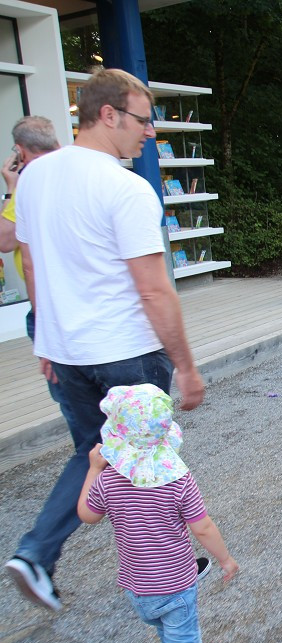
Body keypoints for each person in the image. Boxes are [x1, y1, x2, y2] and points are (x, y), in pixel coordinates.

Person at [5, 68, 206, 612]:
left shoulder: (34, 179)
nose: (150, 133)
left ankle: (41, 555)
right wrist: (186, 365)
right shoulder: (125, 188)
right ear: (109, 114)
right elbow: (154, 289)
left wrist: (43, 339)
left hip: (67, 353)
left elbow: (33, 265)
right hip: (127, 352)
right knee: (146, 456)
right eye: (144, 121)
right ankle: (162, 564)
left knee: (94, 454)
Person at [77, 384, 238, 643]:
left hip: (137, 588)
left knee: (170, 633)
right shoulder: (179, 481)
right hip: (177, 585)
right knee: (180, 642)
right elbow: (203, 527)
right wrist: (224, 559)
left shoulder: (108, 480)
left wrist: (93, 470)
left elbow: (88, 516)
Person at [0, 117, 70, 422]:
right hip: (84, 300)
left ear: (20, 151)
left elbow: (5, 241)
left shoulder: (30, 183)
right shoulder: (74, 170)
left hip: (52, 307)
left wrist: (11, 187)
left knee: (75, 407)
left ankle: (97, 465)